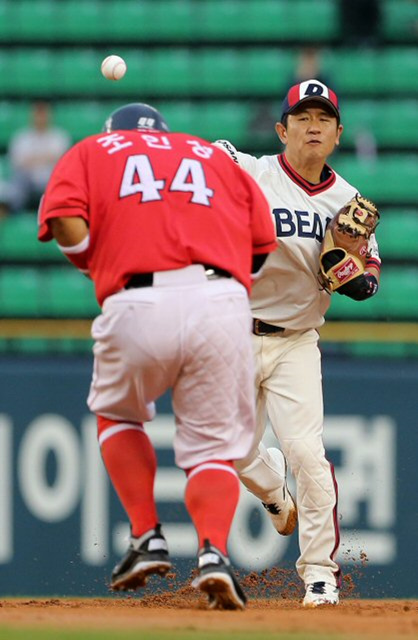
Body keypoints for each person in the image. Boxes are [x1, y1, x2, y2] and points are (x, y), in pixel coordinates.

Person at [37, 103, 277, 610]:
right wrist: (224, 286)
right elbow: (262, 242)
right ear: (164, 135)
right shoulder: (208, 153)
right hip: (222, 300)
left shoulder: (95, 148)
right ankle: (214, 553)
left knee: (118, 413)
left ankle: (147, 537)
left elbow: (62, 220)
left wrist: (95, 261)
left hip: (138, 296)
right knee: (213, 448)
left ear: (114, 133)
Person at [214, 79, 381, 607]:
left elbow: (370, 278)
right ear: (282, 129)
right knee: (229, 450)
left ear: (337, 135)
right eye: (303, 117)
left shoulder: (348, 202)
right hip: (235, 332)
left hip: (295, 342)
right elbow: (210, 157)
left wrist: (353, 275)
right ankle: (274, 496)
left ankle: (319, 576)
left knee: (307, 452)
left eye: (324, 119)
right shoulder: (254, 172)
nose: (314, 125)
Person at [8, 100, 71, 212]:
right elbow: (17, 162)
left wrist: (34, 159)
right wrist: (46, 158)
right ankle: (15, 215)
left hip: (50, 178)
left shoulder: (59, 136)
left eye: (43, 114)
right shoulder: (22, 137)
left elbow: (62, 162)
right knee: (16, 184)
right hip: (27, 179)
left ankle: (56, 214)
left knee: (61, 182)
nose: (41, 117)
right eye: (38, 114)